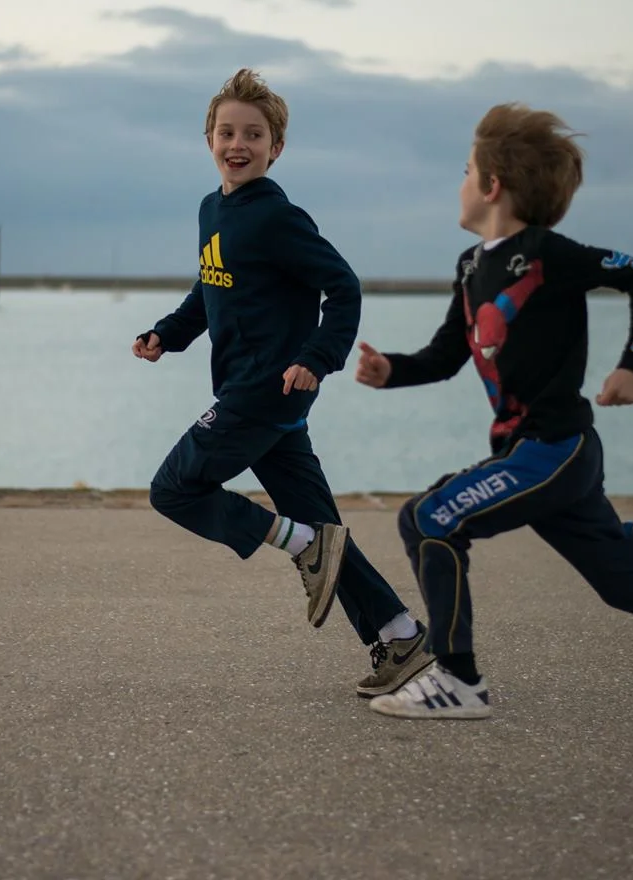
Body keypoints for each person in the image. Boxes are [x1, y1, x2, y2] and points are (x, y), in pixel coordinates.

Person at [354, 102, 633, 741]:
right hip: (534, 453)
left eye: (466, 169)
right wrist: (389, 371)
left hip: (553, 447)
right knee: (623, 578)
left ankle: (458, 680)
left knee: (431, 518)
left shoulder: (547, 254)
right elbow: (445, 356)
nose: (460, 182)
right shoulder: (470, 267)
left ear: (492, 184)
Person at [133, 68, 433, 697]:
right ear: (208, 138)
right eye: (226, 131)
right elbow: (210, 287)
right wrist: (168, 333)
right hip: (267, 400)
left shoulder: (277, 217)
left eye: (254, 134)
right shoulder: (212, 210)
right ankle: (401, 636)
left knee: (174, 488)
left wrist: (319, 356)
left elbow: (343, 286)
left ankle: (297, 543)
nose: (237, 143)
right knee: (327, 531)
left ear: (277, 148)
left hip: (262, 393)